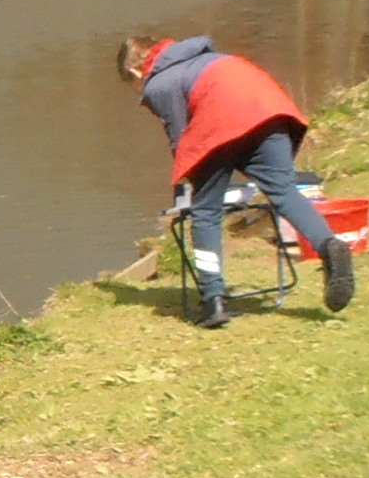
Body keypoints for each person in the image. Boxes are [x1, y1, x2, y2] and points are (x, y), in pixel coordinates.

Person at [120, 32, 355, 329]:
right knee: (283, 191)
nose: (140, 91)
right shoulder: (200, 58)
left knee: (205, 211)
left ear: (135, 71)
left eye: (135, 86)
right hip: (269, 107)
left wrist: (186, 188)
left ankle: (213, 300)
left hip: (222, 115)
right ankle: (330, 247)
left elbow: (181, 139)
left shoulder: (159, 83)